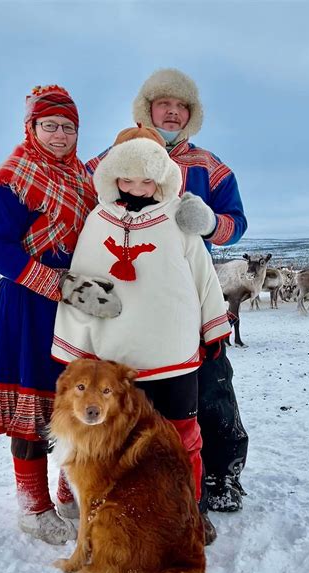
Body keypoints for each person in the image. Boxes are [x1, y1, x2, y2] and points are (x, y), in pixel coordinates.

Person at [0, 85, 121, 546]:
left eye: (68, 127)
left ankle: (68, 492)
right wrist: (54, 284)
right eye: (50, 126)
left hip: (76, 304)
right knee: (34, 406)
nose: (60, 135)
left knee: (76, 402)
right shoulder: (10, 179)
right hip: (28, 303)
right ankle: (32, 505)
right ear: (32, 128)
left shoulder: (84, 181)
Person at [52, 125, 232, 544]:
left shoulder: (179, 219)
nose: (136, 187)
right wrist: (75, 348)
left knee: (181, 437)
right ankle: (105, 507)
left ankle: (188, 510)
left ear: (162, 178)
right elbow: (82, 287)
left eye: (147, 178)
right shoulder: (97, 221)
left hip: (172, 350)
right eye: (127, 178)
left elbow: (204, 277)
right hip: (113, 359)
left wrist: (213, 329)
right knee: (107, 437)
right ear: (113, 177)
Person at [85, 69, 249, 512]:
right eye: (164, 105)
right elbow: (84, 199)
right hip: (127, 303)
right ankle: (136, 486)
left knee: (211, 389)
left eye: (182, 107)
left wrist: (212, 224)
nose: (172, 112)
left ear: (191, 115)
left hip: (188, 300)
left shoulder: (209, 166)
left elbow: (236, 223)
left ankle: (221, 475)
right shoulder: (114, 157)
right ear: (147, 109)